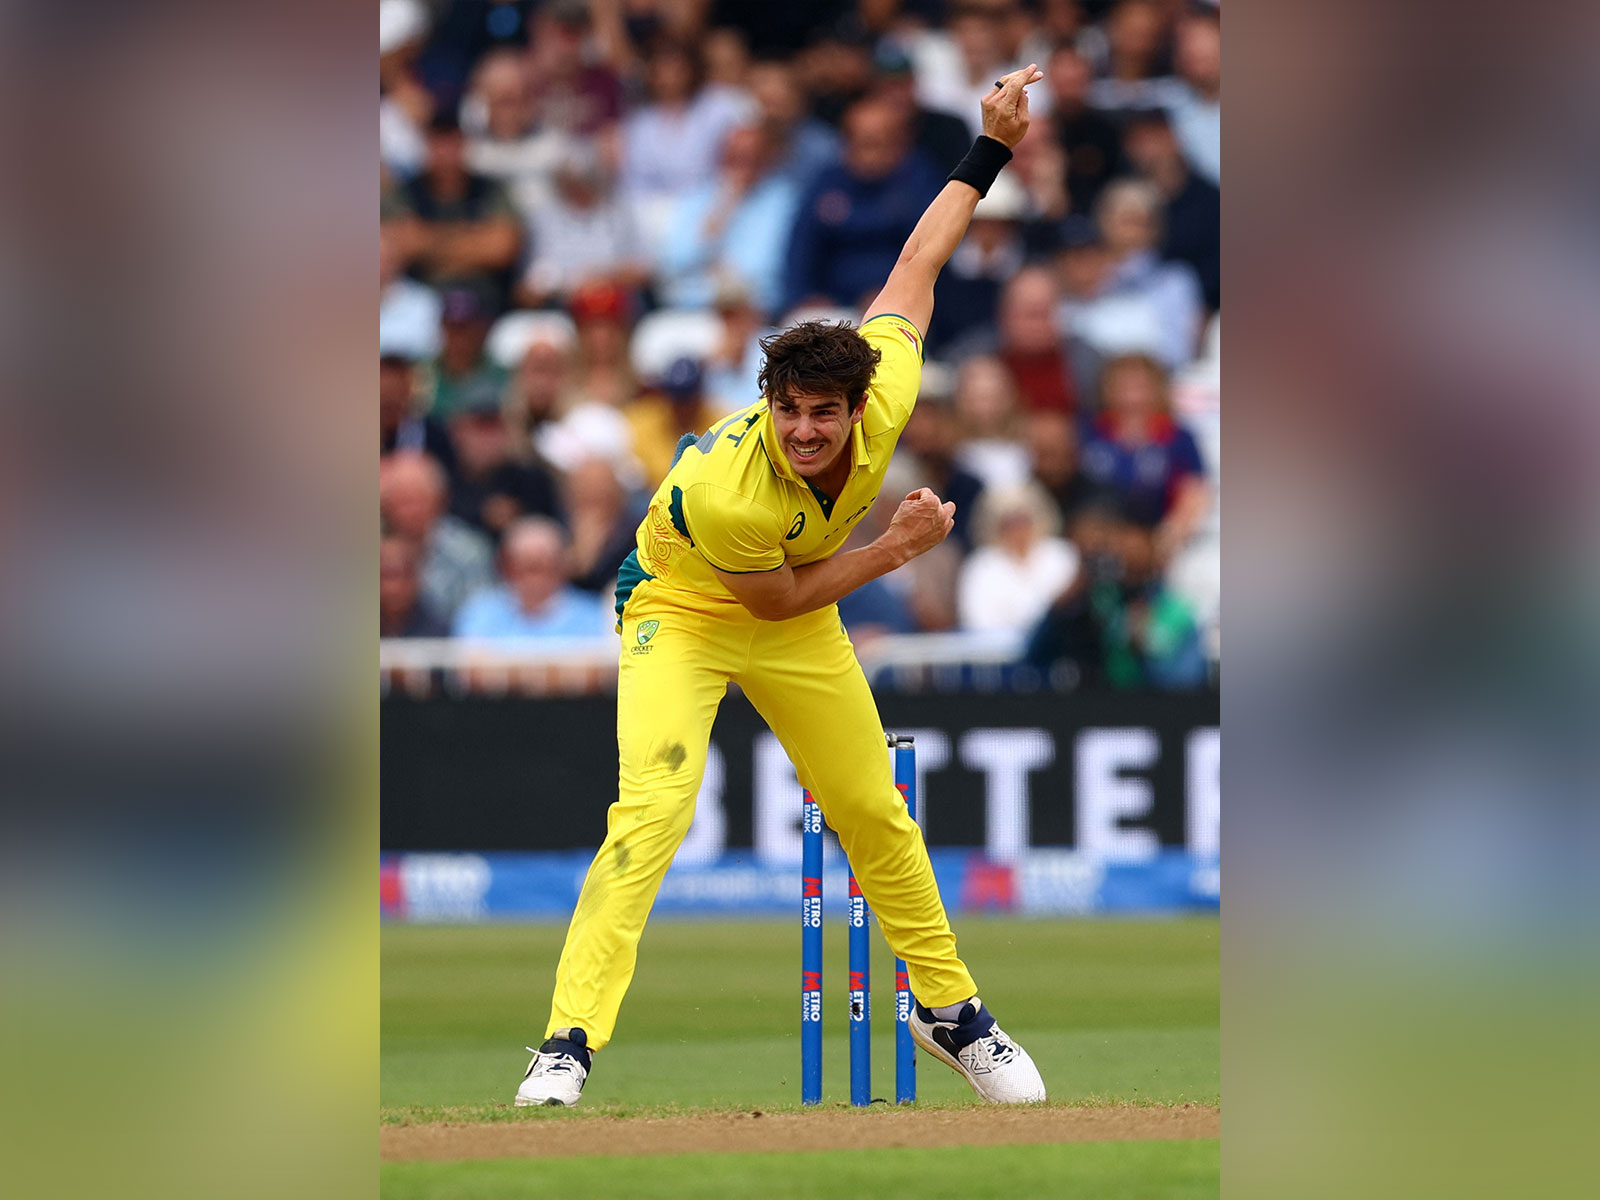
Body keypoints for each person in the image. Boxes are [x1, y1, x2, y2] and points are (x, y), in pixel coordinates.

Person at [517, 65, 1051, 1109]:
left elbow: (914, 263)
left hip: (796, 604)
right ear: (767, 401)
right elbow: (772, 602)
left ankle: (949, 1014)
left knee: (871, 809)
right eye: (790, 410)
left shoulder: (882, 388)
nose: (806, 431)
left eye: (826, 413)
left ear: (861, 407)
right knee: (653, 810)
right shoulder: (730, 489)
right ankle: (566, 1045)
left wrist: (990, 148)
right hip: (686, 608)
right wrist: (895, 552)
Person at [452, 516, 608, 639]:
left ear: (561, 566)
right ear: (507, 567)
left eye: (544, 565)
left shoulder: (594, 614)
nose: (534, 577)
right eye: (526, 566)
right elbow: (472, 669)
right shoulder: (480, 612)